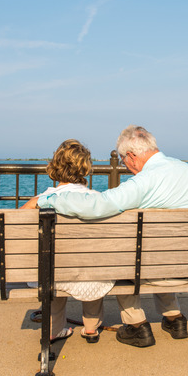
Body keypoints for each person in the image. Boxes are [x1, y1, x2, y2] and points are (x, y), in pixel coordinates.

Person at [37, 125, 188, 348]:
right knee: (160, 251)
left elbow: (98, 205)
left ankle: (137, 326)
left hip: (160, 270)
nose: (124, 166)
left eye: (122, 160)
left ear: (131, 156)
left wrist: (47, 201)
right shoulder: (185, 170)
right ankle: (175, 319)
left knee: (125, 261)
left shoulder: (144, 182)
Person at [20, 139, 113, 344]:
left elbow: (17, 227)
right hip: (90, 275)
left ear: (55, 166)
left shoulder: (43, 199)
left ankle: (54, 330)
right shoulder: (97, 199)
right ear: (85, 169)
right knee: (94, 265)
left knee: (51, 262)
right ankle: (91, 328)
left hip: (51, 274)